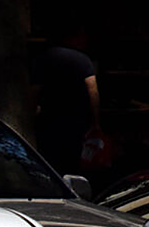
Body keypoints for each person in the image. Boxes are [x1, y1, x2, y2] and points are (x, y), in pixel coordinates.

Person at [34, 17, 102, 175]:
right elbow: (93, 91)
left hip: (49, 120)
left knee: (49, 163)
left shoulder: (43, 58)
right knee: (73, 163)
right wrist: (96, 122)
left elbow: (34, 91)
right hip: (75, 121)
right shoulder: (83, 60)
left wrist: (31, 115)